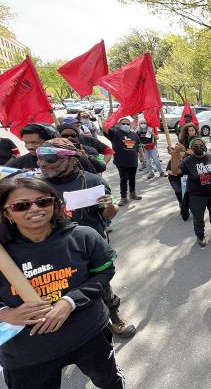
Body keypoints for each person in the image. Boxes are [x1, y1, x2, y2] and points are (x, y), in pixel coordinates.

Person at [0, 177, 125, 388]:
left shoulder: (83, 237)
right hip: (27, 355)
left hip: (89, 335)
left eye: (43, 201)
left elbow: (103, 273)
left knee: (110, 382)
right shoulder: (4, 254)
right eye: (21, 205)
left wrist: (70, 301)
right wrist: (6, 314)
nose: (35, 209)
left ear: (55, 204)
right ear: (6, 212)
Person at [36, 140, 136, 338]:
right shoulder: (36, 186)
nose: (42, 163)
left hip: (91, 249)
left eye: (50, 158)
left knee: (101, 285)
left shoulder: (93, 182)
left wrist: (110, 206)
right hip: (52, 251)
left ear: (72, 159)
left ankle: (114, 317)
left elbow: (108, 215)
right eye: (39, 158)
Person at [179, 136, 211, 247]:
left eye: (200, 144)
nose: (198, 147)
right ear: (191, 148)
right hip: (197, 195)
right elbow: (177, 172)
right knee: (198, 217)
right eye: (195, 146)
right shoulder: (187, 161)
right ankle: (200, 235)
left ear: (204, 145)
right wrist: (175, 156)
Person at [5, 124, 96, 173]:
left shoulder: (75, 158)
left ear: (53, 140)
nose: (29, 147)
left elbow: (94, 183)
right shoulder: (17, 164)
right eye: (26, 143)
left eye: (35, 143)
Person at [103, 117, 143, 206]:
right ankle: (123, 197)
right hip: (121, 161)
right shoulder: (115, 133)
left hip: (133, 160)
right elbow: (104, 128)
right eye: (123, 124)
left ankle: (133, 194)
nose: (126, 125)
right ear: (119, 125)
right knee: (124, 179)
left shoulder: (134, 134)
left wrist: (142, 156)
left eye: (128, 124)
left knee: (132, 178)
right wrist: (109, 117)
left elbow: (139, 145)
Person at [167, 123, 199, 219]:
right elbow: (171, 171)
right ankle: (182, 204)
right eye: (189, 130)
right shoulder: (176, 153)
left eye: (193, 130)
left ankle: (190, 206)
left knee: (190, 192)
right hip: (174, 177)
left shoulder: (192, 155)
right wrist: (174, 153)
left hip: (187, 175)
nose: (191, 132)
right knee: (179, 191)